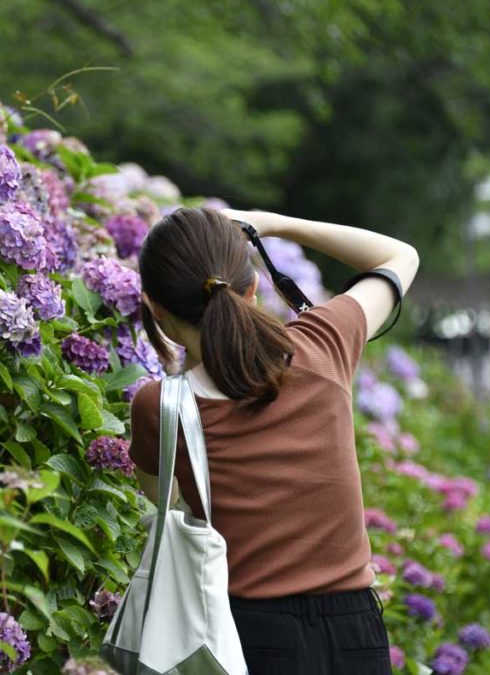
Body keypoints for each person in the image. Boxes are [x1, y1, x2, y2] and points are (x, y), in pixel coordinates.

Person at [127, 207, 419, 675]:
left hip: (246, 639)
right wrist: (273, 224)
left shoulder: (160, 407)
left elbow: (167, 500)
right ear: (252, 290)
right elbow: (399, 256)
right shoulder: (325, 341)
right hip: (357, 635)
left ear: (155, 309)